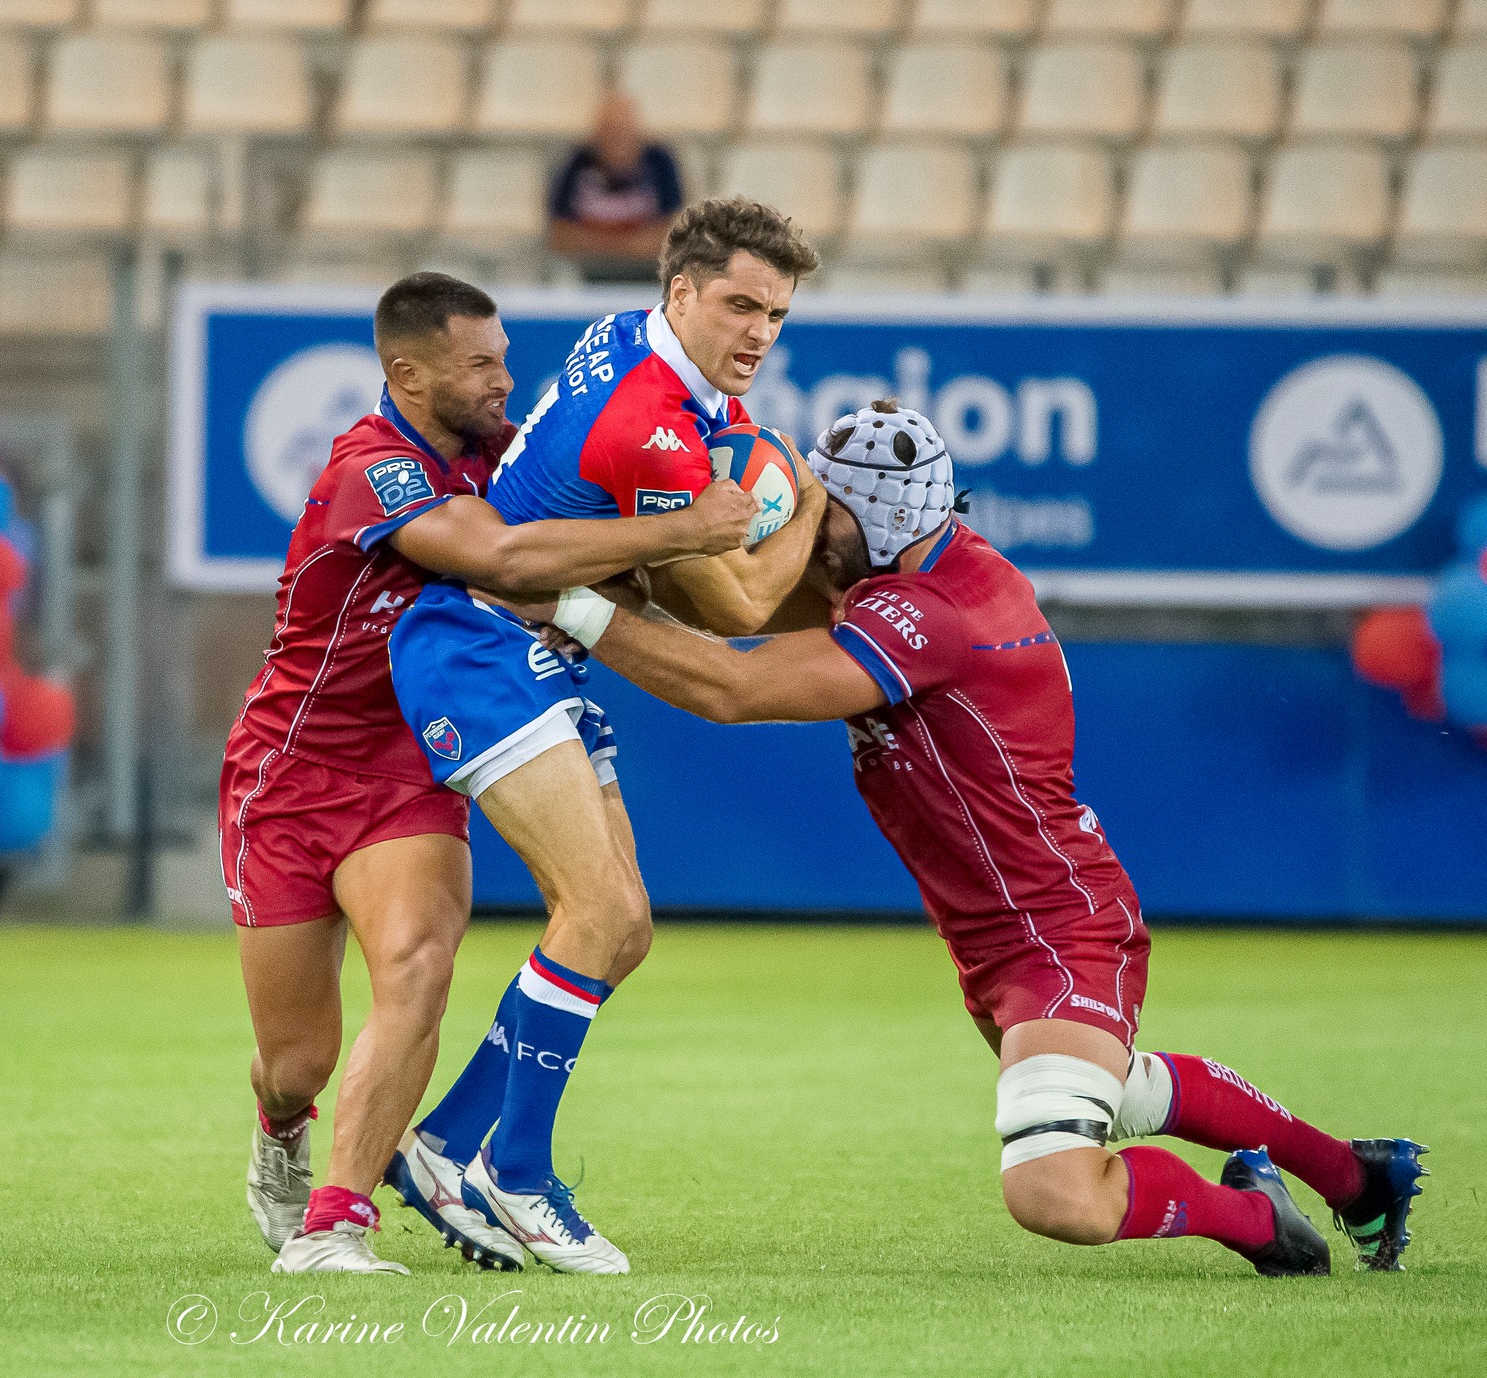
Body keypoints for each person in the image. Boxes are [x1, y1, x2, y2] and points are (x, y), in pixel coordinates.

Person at [496, 398, 1428, 1278]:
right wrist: (628, 565)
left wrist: (578, 604)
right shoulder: (917, 565)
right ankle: (1358, 1177)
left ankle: (1259, 1219)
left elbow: (731, 689)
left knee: (1054, 1189)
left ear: (878, 520)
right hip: (1003, 927)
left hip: (1054, 927)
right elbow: (735, 610)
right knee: (1121, 1090)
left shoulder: (930, 615)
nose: (808, 531)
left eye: (825, 515)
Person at [226, 271, 759, 1274]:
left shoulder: (501, 458)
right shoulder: (370, 470)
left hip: (409, 765)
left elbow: (584, 550)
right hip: (289, 777)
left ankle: (338, 1218)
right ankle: (280, 1125)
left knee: (420, 967)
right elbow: (506, 557)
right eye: (479, 364)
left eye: (505, 358)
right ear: (407, 373)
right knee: (297, 1058)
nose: (503, 379)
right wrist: (681, 527)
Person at [383, 199, 824, 1274]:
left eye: (774, 312)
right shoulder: (651, 419)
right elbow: (731, 610)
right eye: (738, 303)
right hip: (479, 643)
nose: (758, 331)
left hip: (531, 644)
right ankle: (515, 1173)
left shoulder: (640, 347)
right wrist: (803, 496)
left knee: (621, 929)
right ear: (681, 291)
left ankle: (444, 1144)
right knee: (602, 909)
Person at [548, 92, 686, 284]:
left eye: (622, 131)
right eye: (609, 132)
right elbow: (560, 237)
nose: (616, 140)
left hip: (649, 278)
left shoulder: (660, 163)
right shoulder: (575, 164)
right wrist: (630, 245)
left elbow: (671, 236)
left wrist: (596, 242)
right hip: (586, 277)